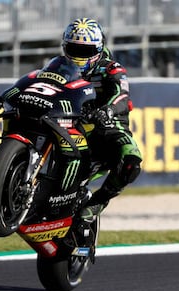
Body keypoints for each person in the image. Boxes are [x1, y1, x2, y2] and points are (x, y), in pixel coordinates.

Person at [61, 18, 143, 223]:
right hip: (67, 122)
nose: (79, 57)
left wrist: (107, 110)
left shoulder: (112, 69)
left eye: (86, 51)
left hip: (106, 126)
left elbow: (123, 96)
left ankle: (100, 200)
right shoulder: (58, 67)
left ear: (99, 49)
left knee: (131, 161)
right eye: (74, 49)